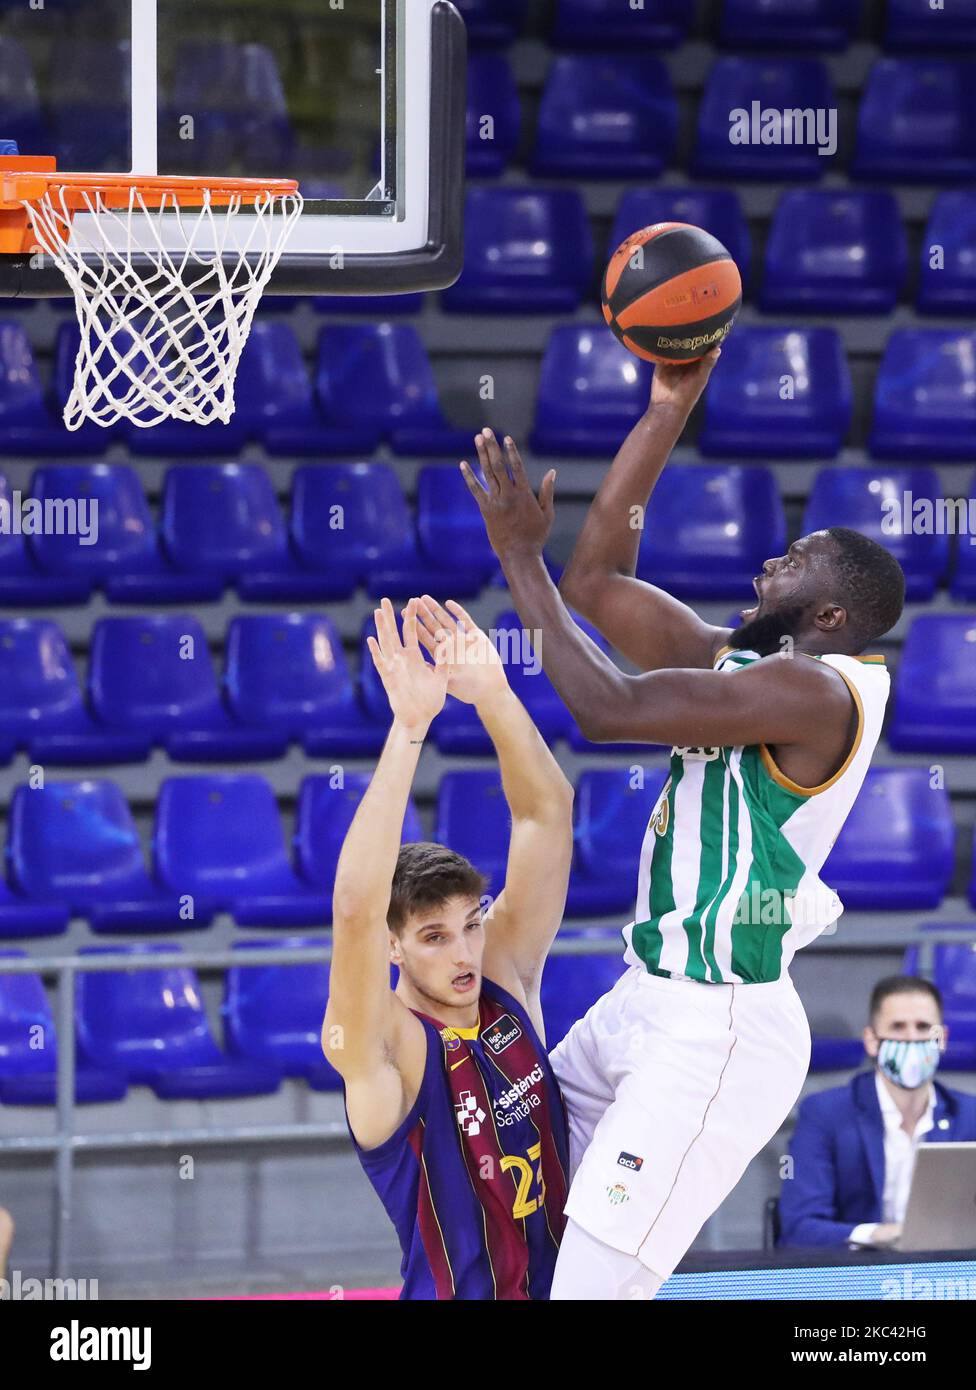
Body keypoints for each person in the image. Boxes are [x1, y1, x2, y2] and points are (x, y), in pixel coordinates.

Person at [459, 350, 906, 1299]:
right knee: (504, 1196)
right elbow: (595, 580)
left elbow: (606, 707)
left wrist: (511, 558)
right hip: (643, 1000)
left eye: (798, 559)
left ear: (829, 612)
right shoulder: (740, 669)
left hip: (719, 1025)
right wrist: (671, 406)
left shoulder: (817, 693)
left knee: (590, 1287)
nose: (769, 559)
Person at [323, 596, 572, 1300]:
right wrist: (408, 730)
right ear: (394, 947)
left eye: (472, 923)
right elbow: (353, 910)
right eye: (434, 936)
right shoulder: (384, 1049)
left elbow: (546, 815)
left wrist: (493, 695)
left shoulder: (504, 982)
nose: (465, 952)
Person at [778, 975, 976, 1247]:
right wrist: (879, 1235)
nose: (912, 1038)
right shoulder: (824, 1114)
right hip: (855, 1278)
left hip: (947, 1280)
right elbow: (799, 1226)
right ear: (871, 1040)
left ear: (942, 1039)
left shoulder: (968, 1115)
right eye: (898, 1027)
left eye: (923, 1027)